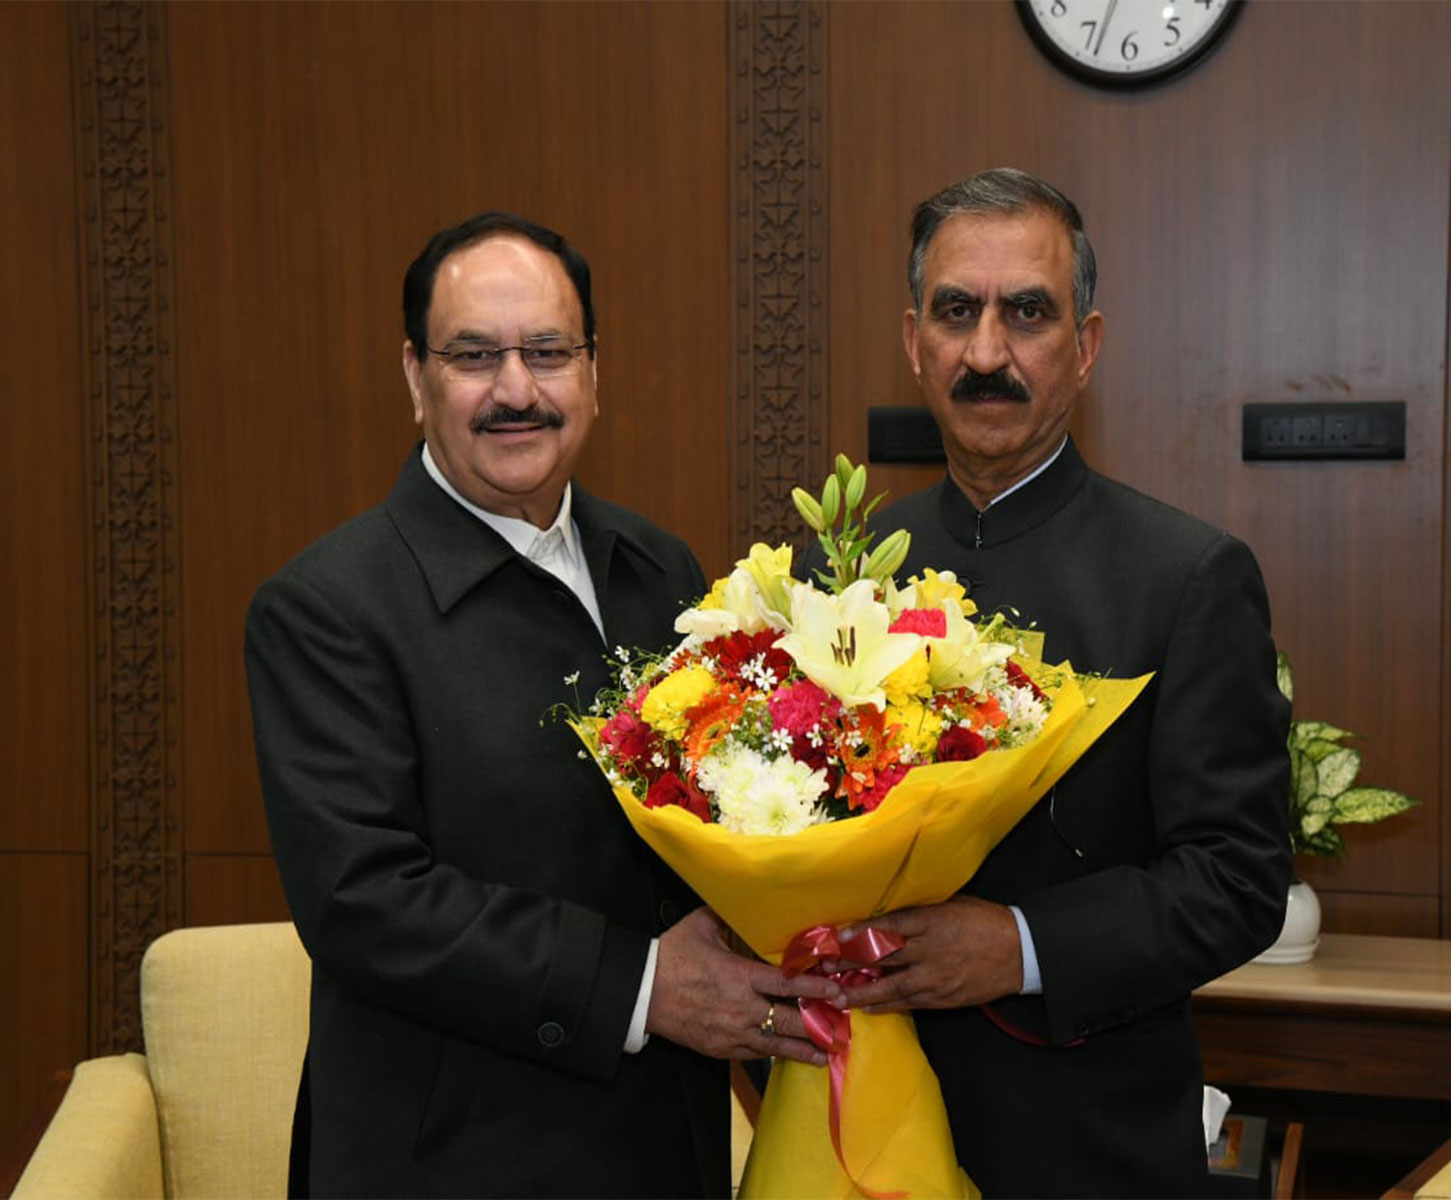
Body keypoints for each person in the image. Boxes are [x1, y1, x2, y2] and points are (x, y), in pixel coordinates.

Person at [245, 212, 836, 1198]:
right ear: (414, 377)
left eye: (548, 352)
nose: (515, 389)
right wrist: (645, 987)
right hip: (449, 1160)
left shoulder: (661, 570)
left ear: (593, 373)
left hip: (663, 1150)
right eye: (475, 355)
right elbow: (366, 902)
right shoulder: (327, 608)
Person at [833, 168, 1293, 1197]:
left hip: (1089, 1148)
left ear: (1082, 347)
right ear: (914, 342)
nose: (986, 352)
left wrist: (1020, 945)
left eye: (1025, 313)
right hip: (863, 1126)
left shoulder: (1186, 576)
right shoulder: (852, 569)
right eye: (957, 312)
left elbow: (1237, 882)